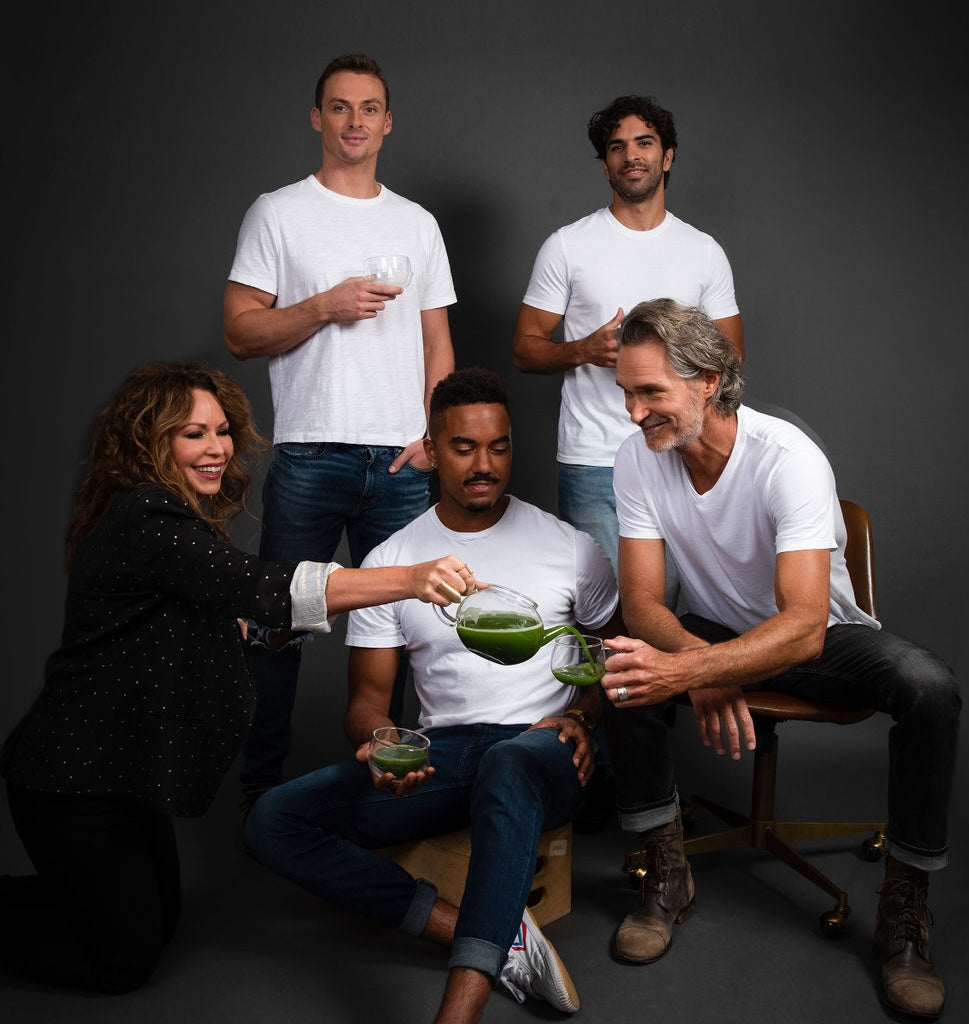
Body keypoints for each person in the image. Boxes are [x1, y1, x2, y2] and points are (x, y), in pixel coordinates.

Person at [0, 362, 475, 993]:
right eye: (192, 434)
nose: (217, 448)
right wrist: (409, 578)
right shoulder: (148, 519)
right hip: (71, 779)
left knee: (158, 921)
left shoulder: (168, 520)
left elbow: (229, 619)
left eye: (222, 431)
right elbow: (259, 587)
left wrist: (273, 628)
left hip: (122, 779)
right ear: (150, 440)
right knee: (123, 963)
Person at [598, 300, 961, 1020]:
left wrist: (695, 672)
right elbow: (642, 602)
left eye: (650, 393)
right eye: (627, 394)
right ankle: (664, 871)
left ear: (707, 381)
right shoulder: (638, 460)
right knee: (623, 659)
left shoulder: (787, 458)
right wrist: (699, 665)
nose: (635, 413)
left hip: (817, 637)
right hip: (713, 629)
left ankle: (905, 909)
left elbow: (802, 626)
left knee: (930, 687)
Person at [244, 367, 622, 1024]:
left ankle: (456, 1015)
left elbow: (612, 656)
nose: (485, 465)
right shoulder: (396, 563)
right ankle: (491, 934)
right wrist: (381, 739)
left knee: (510, 762)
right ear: (432, 446)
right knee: (271, 820)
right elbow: (365, 700)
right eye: (464, 447)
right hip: (445, 755)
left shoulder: (571, 549)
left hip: (542, 748)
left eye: (499, 447)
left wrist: (586, 717)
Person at [223, 53, 457, 808]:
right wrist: (323, 306)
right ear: (316, 118)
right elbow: (239, 331)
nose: (354, 121)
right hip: (311, 454)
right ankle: (258, 790)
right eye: (340, 107)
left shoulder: (416, 223)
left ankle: (418, 781)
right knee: (276, 628)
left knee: (419, 624)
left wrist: (434, 433)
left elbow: (437, 343)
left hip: (401, 461)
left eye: (369, 108)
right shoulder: (277, 212)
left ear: (387, 122)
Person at [512, 93, 743, 575]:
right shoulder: (567, 246)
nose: (631, 155)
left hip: (683, 451)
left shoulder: (702, 252)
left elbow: (731, 357)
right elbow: (525, 349)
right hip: (594, 459)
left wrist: (679, 372)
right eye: (617, 147)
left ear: (668, 155)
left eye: (644, 142)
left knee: (683, 606)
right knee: (610, 609)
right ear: (604, 165)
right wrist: (583, 350)